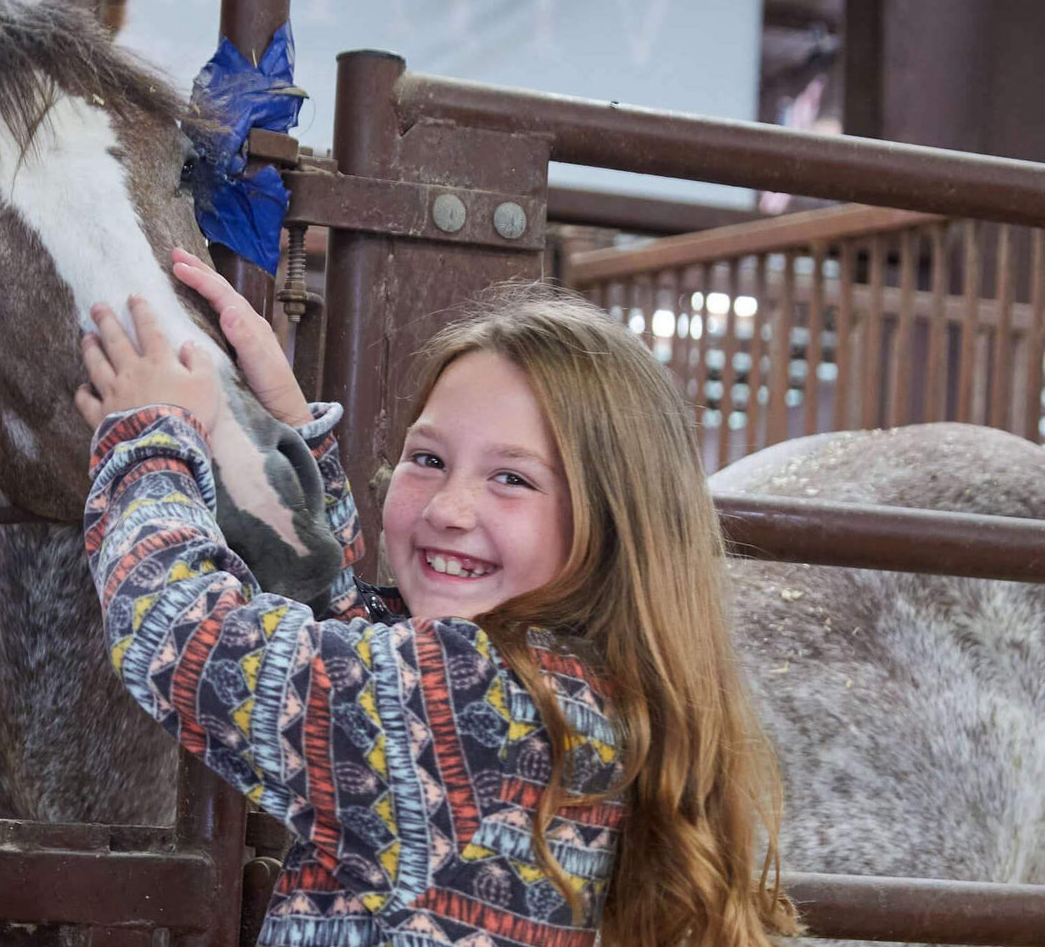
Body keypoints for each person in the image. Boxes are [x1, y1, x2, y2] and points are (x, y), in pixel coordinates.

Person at [76, 248, 796, 947]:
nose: (450, 508)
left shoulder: (473, 699)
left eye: (512, 478)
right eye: (428, 459)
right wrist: (283, 438)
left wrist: (151, 433)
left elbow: (180, 635)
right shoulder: (574, 687)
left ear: (612, 522)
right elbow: (355, 658)